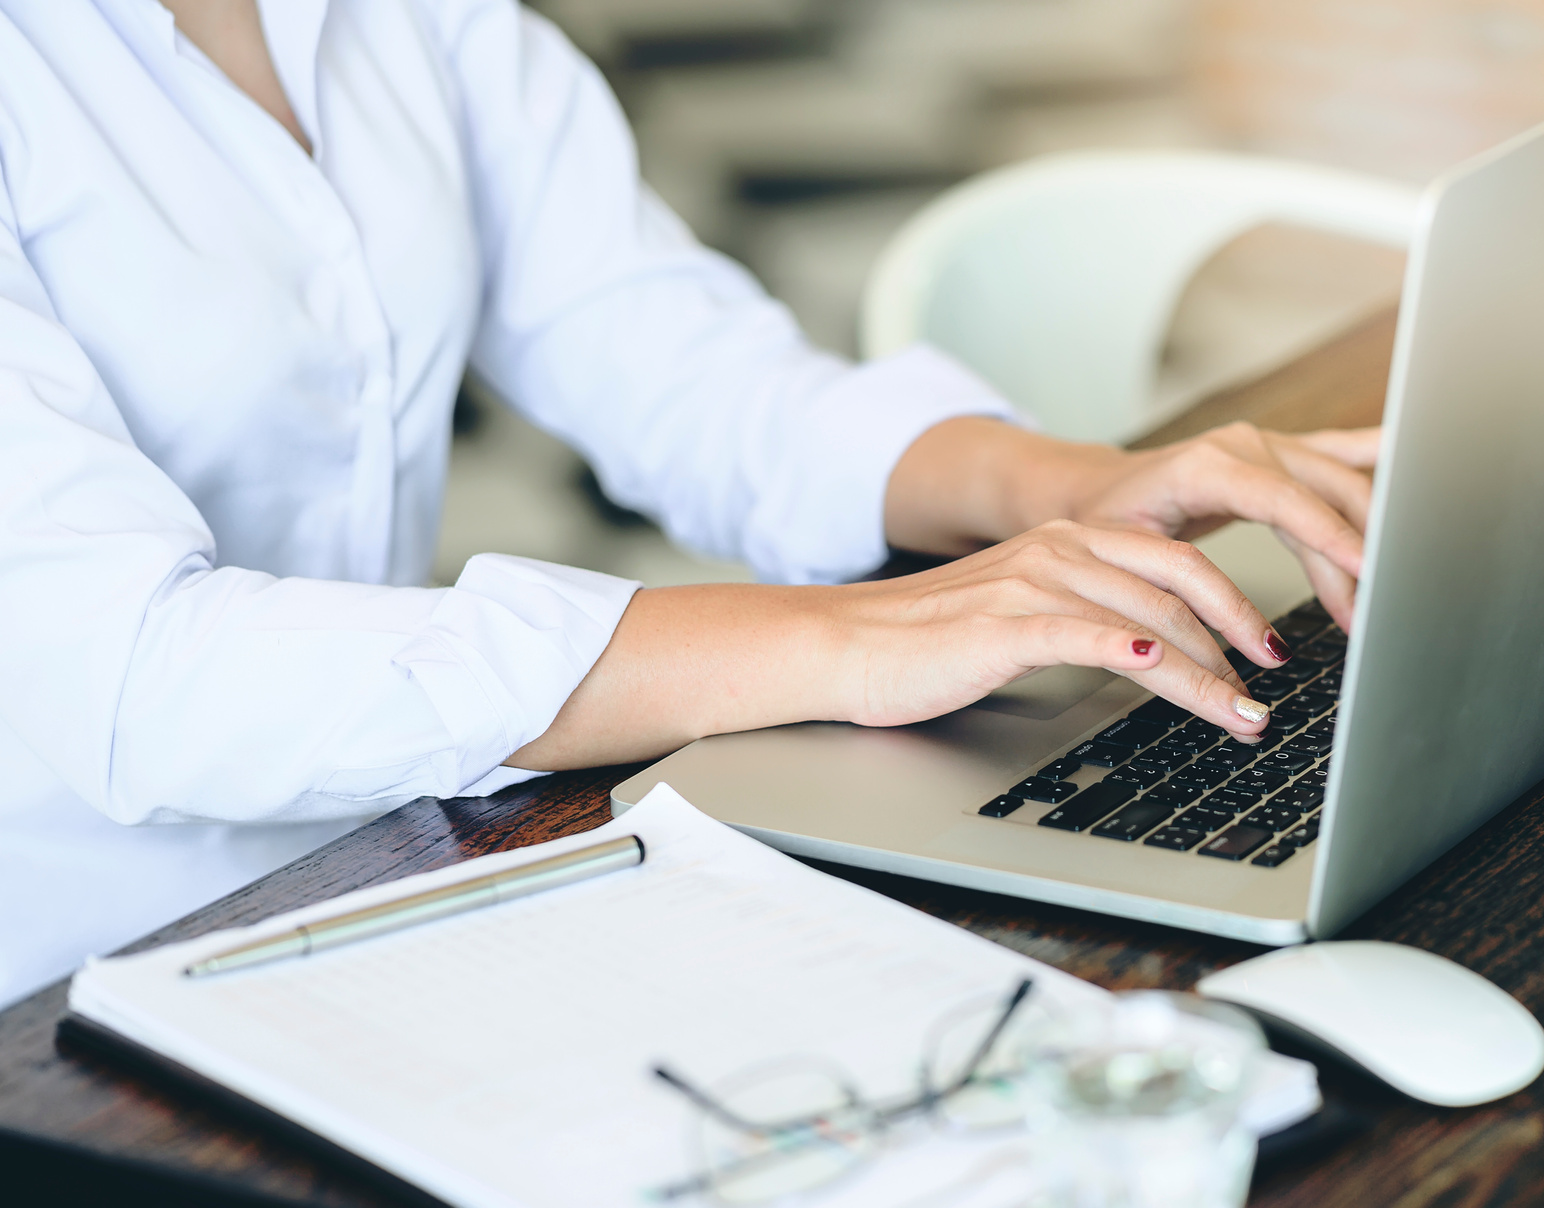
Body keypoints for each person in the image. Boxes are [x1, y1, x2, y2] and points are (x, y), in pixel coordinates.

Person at [0, 0, 1378, 1008]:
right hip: (67, 977)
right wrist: (847, 640)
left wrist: (1067, 485)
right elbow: (140, 678)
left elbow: (669, 355)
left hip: (382, 855)